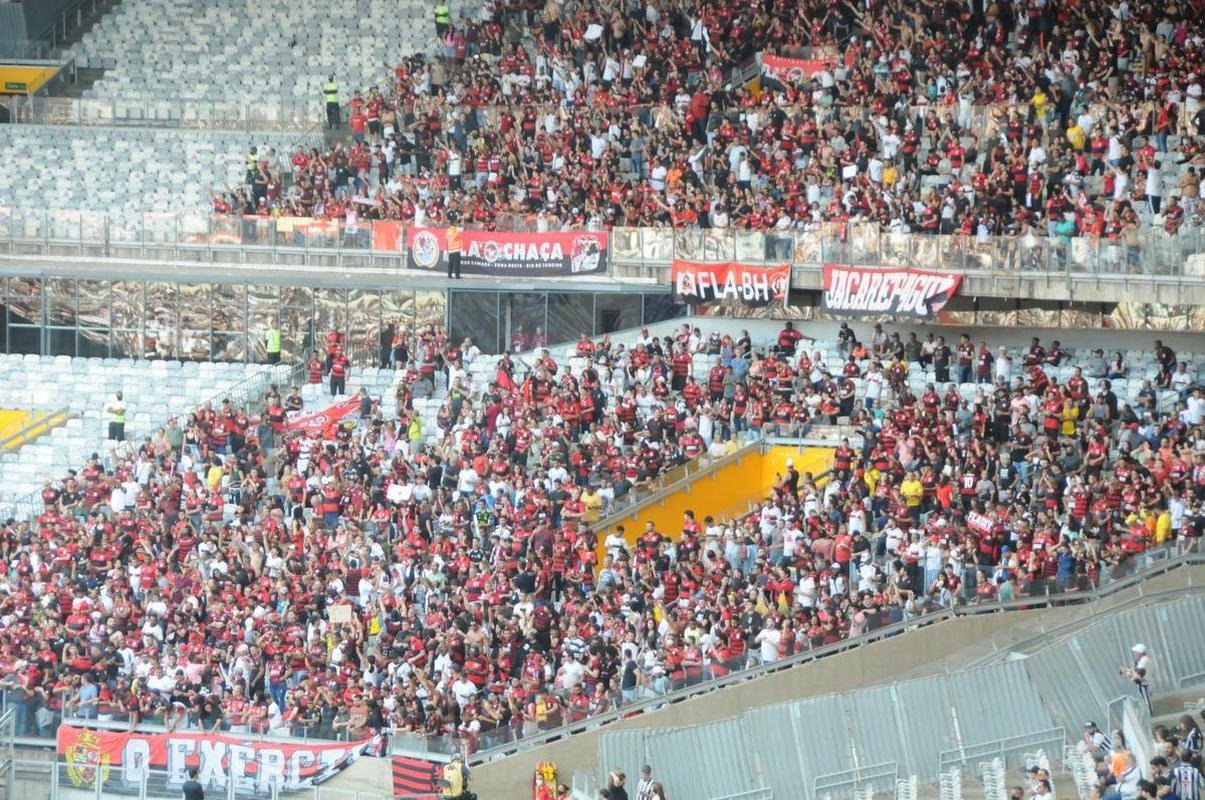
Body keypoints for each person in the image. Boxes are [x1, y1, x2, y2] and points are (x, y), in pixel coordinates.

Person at [1121, 644, 1152, 713]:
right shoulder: (1143, 660)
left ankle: (1149, 712)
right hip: (1143, 683)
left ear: (1139, 653)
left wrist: (1126, 672)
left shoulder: (1144, 660)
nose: (1133, 654)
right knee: (1145, 699)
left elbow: (1136, 673)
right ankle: (1149, 711)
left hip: (1144, 684)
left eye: (1135, 652)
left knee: (1146, 699)